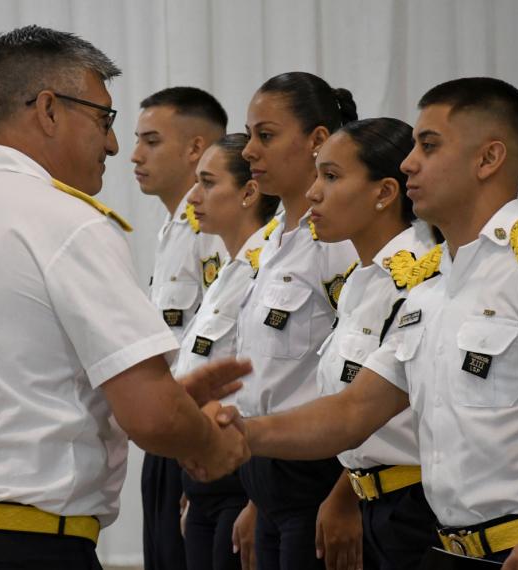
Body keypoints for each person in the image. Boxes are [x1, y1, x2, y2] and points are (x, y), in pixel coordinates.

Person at [0, 26, 249, 570]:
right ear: (48, 109)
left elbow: (11, 392)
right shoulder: (68, 224)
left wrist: (170, 398)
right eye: (104, 119)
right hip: (17, 548)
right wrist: (210, 445)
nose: (114, 145)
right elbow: (152, 418)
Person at [202, 77, 518, 570]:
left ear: (488, 159)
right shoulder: (431, 286)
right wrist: (242, 432)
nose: (409, 162)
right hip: (448, 548)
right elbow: (353, 412)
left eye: (429, 145)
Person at [235, 71, 358, 570]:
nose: (247, 150)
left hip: (316, 477)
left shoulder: (339, 243)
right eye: (248, 135)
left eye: (265, 135)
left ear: (318, 141)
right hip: (267, 474)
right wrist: (255, 498)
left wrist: (345, 492)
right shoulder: (273, 243)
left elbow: (371, 377)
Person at [306, 117, 440, 570]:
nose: (313, 193)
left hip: (417, 506)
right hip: (370, 500)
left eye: (331, 176)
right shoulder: (362, 281)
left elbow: (368, 410)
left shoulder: (420, 279)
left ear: (384, 193)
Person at [131, 86, 229, 570]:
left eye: (151, 141)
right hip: (173, 433)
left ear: (195, 147)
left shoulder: (216, 231)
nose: (134, 155)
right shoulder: (173, 229)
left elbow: (227, 349)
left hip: (203, 437)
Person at [175, 133, 280, 570]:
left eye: (207, 183)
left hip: (242, 478)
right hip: (203, 476)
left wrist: (257, 498)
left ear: (249, 192)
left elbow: (271, 386)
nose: (193, 198)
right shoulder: (225, 273)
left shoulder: (267, 272)